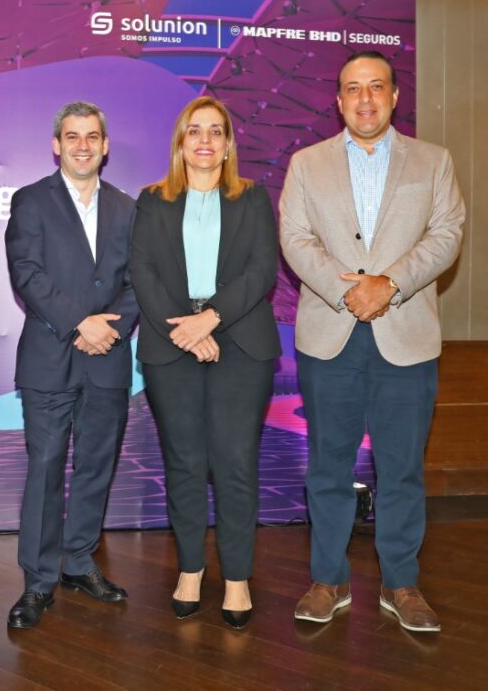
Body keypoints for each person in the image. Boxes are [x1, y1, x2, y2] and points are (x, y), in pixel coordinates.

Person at [279, 50, 465, 633]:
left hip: (406, 337)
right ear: (338, 101)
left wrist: (390, 285)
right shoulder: (306, 164)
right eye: (354, 88)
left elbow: (447, 234)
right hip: (329, 338)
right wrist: (349, 294)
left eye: (376, 86)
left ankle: (401, 583)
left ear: (394, 96)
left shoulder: (433, 161)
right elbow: (295, 237)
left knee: (402, 468)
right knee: (328, 467)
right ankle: (327, 579)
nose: (365, 99)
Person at [130, 96, 280, 630]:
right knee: (185, 462)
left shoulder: (252, 198)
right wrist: (190, 332)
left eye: (216, 131)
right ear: (180, 141)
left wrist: (210, 320)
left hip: (241, 343)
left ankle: (237, 577)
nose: (205, 140)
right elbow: (143, 272)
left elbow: (262, 270)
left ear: (228, 144)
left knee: (235, 462)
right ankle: (190, 570)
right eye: (195, 130)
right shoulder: (152, 200)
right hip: (171, 342)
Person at [3, 102, 139, 629]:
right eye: (72, 136)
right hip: (49, 358)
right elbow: (26, 273)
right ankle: (37, 582)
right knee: (45, 468)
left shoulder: (128, 208)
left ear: (106, 146)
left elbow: (139, 281)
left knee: (95, 465)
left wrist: (110, 329)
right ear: (56, 145)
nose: (83, 145)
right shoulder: (31, 200)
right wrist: (81, 322)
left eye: (92, 137)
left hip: (108, 359)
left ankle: (79, 563)